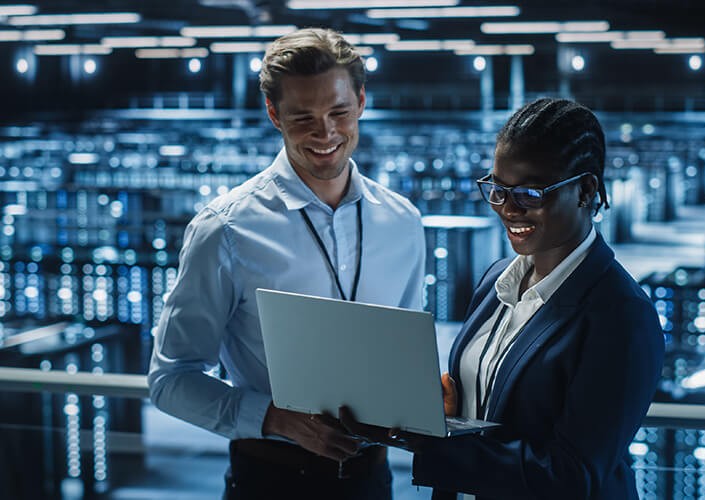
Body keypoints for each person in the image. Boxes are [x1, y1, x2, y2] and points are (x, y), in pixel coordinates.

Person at [148, 28, 426, 499]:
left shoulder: (402, 222)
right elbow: (170, 381)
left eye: (339, 111)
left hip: (374, 481)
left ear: (361, 100)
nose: (326, 133)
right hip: (270, 481)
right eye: (303, 117)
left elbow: (404, 362)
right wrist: (274, 418)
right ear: (274, 114)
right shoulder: (225, 229)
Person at [342, 97, 664, 499]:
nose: (508, 209)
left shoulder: (619, 315)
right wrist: (437, 416)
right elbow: (493, 410)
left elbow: (571, 475)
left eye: (530, 192)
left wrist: (432, 445)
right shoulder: (498, 280)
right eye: (497, 188)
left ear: (585, 191)